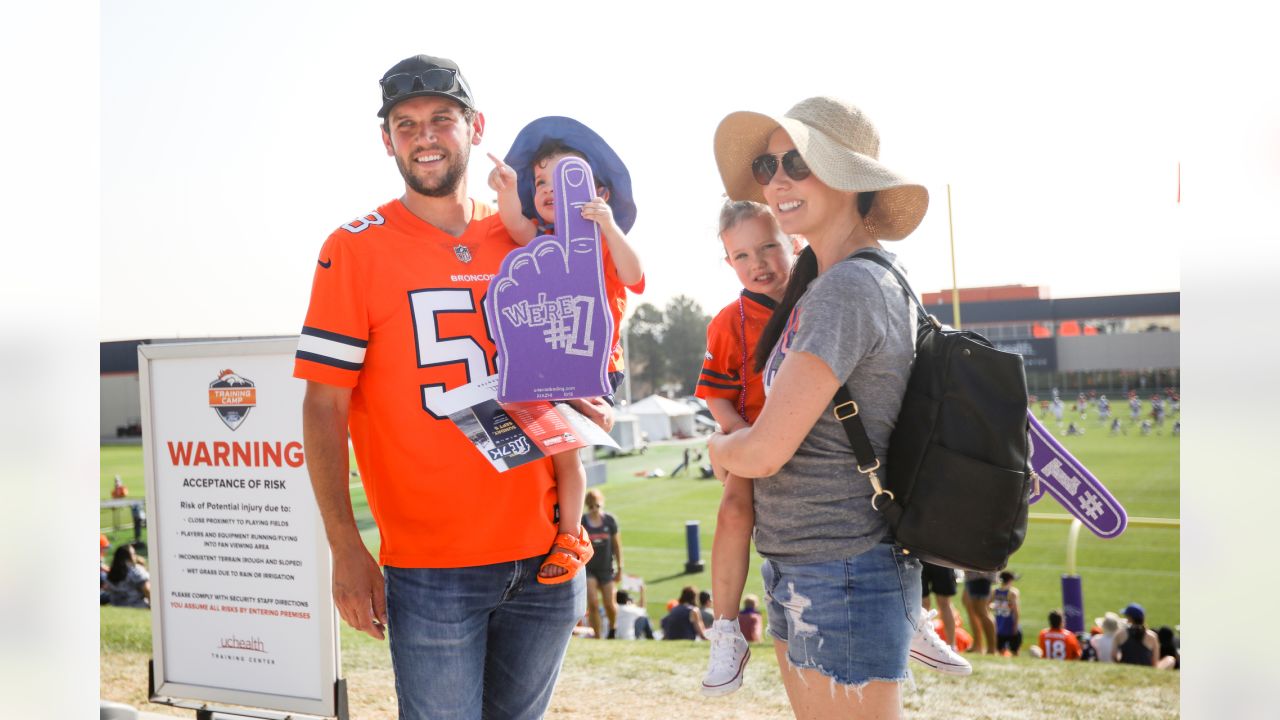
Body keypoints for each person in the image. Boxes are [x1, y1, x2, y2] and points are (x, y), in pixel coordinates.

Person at [294, 54, 614, 719]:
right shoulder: (355, 249)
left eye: (442, 118)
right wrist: (345, 546)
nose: (425, 136)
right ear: (387, 140)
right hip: (432, 565)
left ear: (476, 127)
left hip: (546, 550)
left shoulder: (525, 233)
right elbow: (323, 404)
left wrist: (590, 400)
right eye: (406, 124)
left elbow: (583, 348)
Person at [707, 96, 937, 717]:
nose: (777, 179)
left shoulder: (845, 290)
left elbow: (763, 449)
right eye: (766, 165)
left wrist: (719, 447)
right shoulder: (835, 280)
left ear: (848, 177)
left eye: (797, 162)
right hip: (815, 565)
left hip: (840, 571)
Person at [487, 118, 643, 583]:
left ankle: (572, 534)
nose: (548, 190)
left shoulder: (599, 241)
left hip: (591, 369)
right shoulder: (540, 241)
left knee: (568, 453)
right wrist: (507, 188)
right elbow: (514, 225)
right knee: (548, 450)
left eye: (562, 178)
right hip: (546, 363)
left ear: (600, 192)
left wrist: (610, 227)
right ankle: (549, 526)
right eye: (539, 182)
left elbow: (634, 274)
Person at [696, 200, 800, 696]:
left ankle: (909, 611)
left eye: (768, 247)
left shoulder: (823, 298)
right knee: (734, 509)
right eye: (741, 256)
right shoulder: (728, 320)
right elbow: (716, 393)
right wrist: (745, 441)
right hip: (755, 434)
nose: (757, 263)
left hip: (823, 435)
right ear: (728, 263)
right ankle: (727, 630)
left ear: (794, 242)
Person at [581, 489, 623, 639]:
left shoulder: (609, 521)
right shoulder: (583, 522)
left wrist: (620, 568)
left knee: (609, 604)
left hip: (606, 568)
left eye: (597, 506)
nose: (594, 510)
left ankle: (612, 628)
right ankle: (597, 636)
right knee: (592, 603)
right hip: (589, 568)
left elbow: (617, 546)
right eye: (591, 507)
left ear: (602, 504)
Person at [921, 561, 960, 650]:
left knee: (944, 603)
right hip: (922, 555)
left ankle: (952, 646)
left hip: (941, 556)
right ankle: (923, 644)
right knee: (923, 603)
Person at [961, 570, 998, 654]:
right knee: (971, 606)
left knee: (982, 611)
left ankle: (991, 649)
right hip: (974, 574)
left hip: (981, 574)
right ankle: (978, 645)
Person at [104, 543, 150, 608]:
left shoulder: (112, 573)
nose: (135, 556)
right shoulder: (136, 570)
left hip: (117, 607)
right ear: (129, 556)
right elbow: (147, 588)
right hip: (137, 606)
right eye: (134, 554)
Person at [1115, 602, 1160, 667]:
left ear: (1130, 618)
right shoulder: (1152, 636)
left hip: (1125, 667)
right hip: (1147, 669)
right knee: (1169, 659)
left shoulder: (1120, 633)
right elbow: (1155, 663)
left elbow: (1114, 655)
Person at [993, 571, 1023, 656]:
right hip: (1010, 626)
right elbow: (1016, 611)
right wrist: (1016, 626)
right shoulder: (1013, 593)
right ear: (1010, 581)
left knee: (1000, 651)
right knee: (1015, 652)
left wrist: (997, 606)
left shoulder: (995, 591)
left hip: (999, 626)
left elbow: (988, 606)